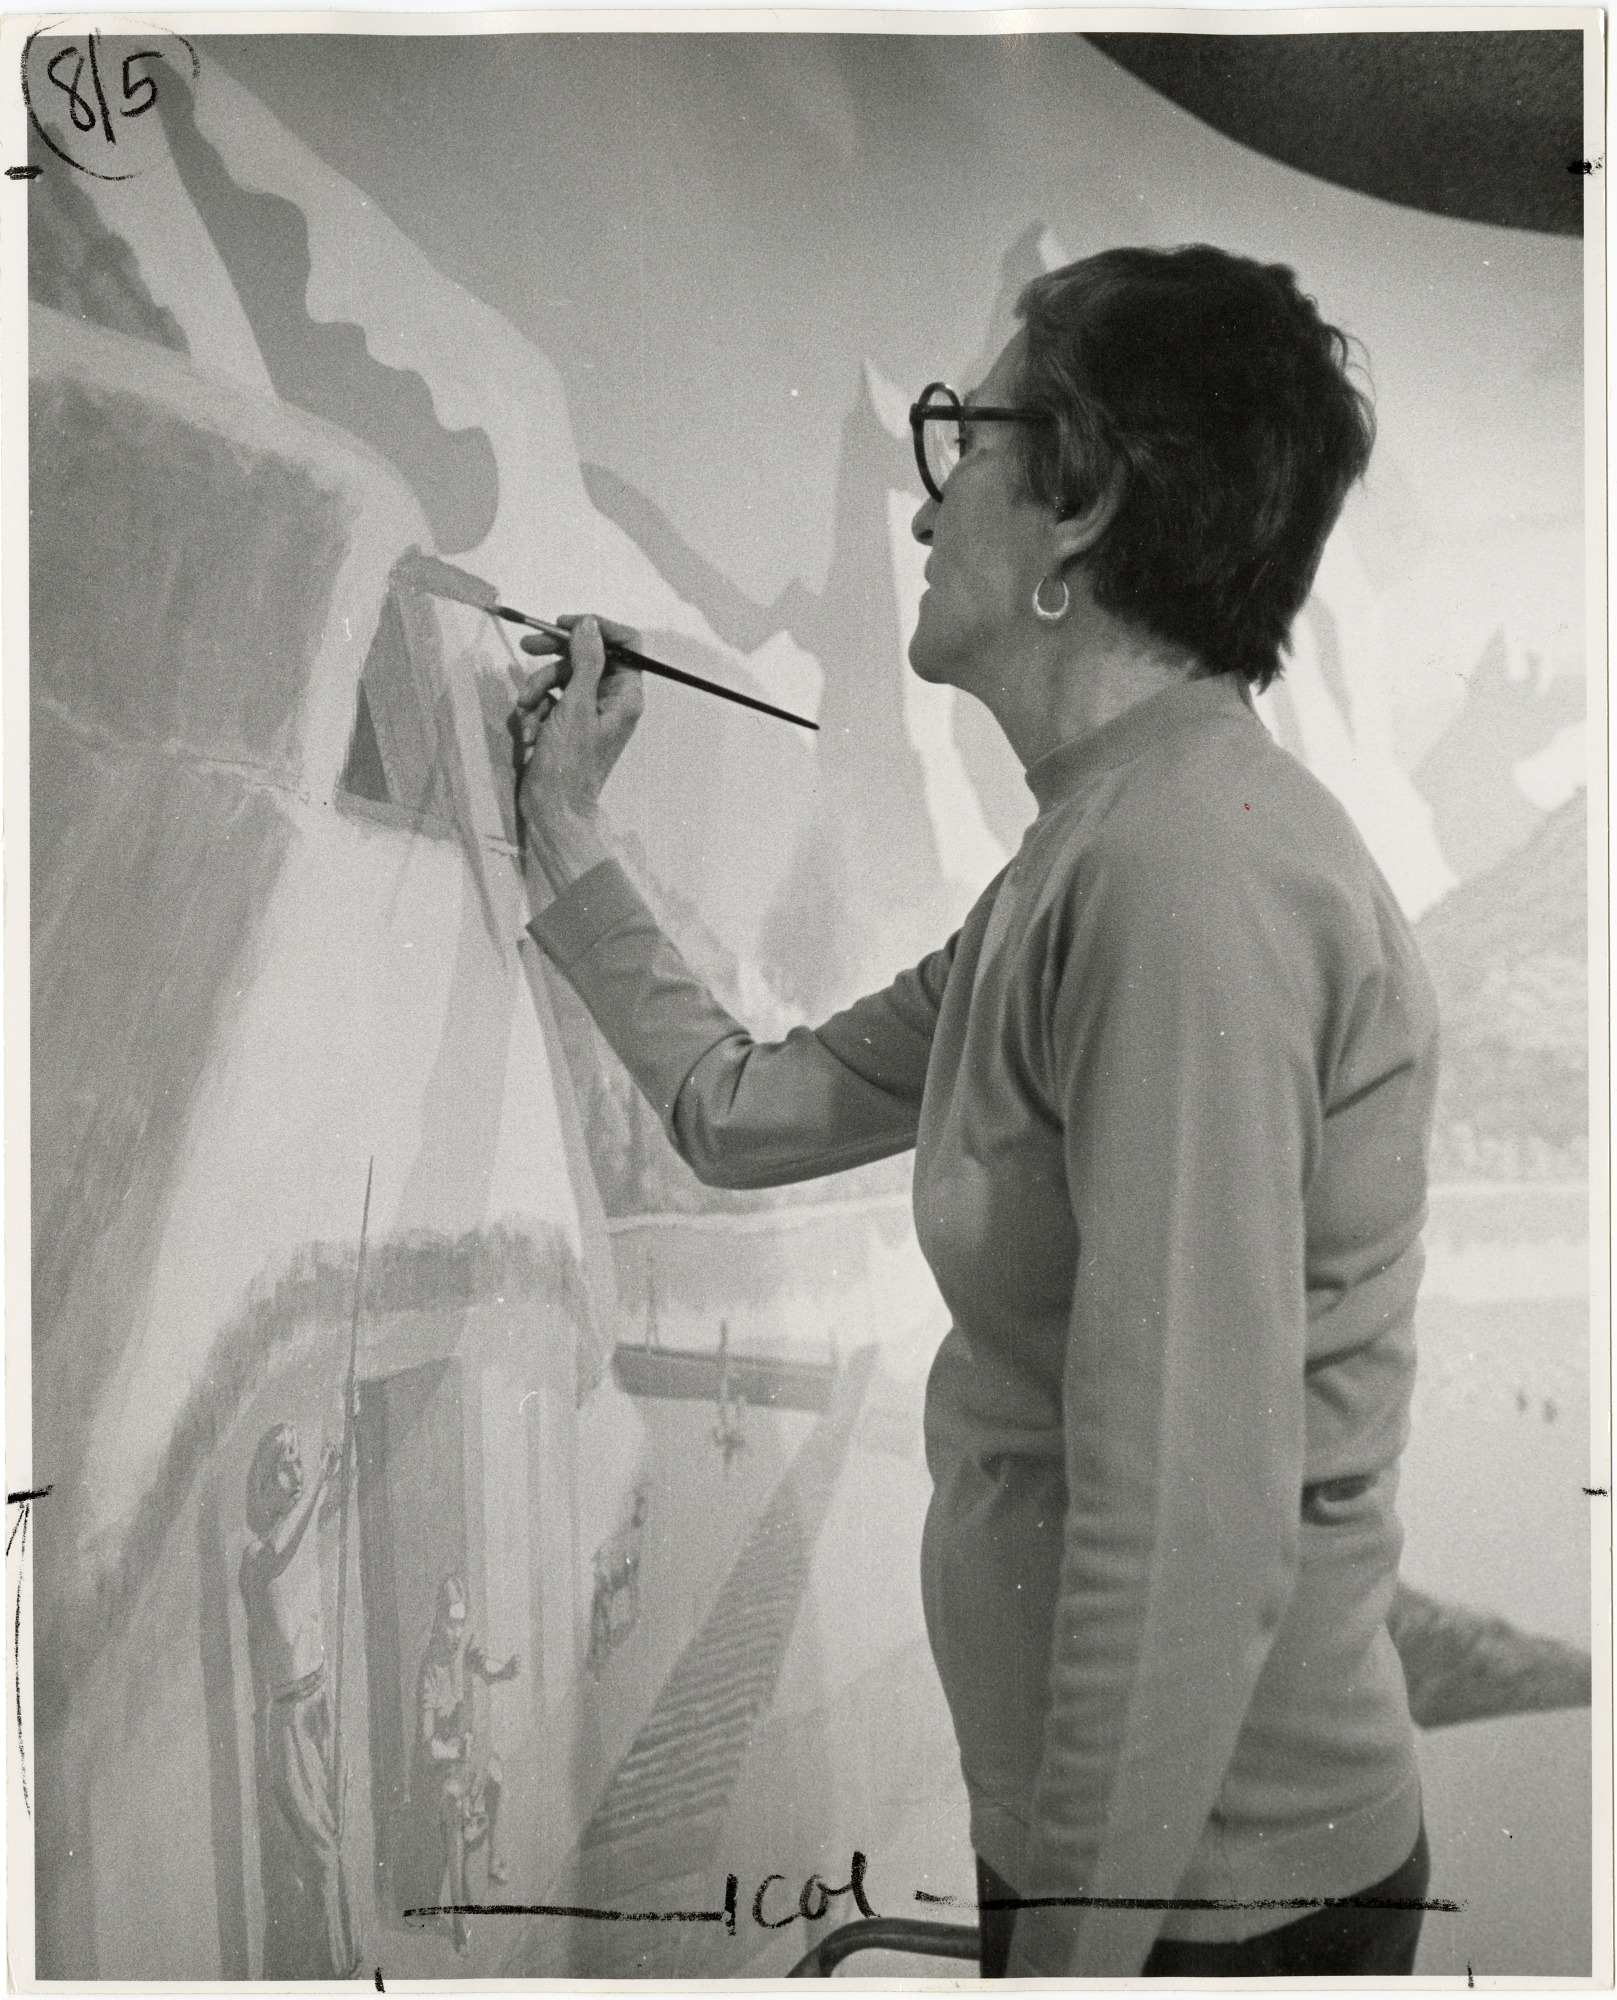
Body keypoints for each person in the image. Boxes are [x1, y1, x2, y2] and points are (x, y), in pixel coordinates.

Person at [512, 244, 1439, 1978]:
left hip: (1207, 1906)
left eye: (965, 440)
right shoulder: (1089, 860)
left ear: (1079, 500)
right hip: (1132, 1881)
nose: (928, 506)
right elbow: (744, 1113)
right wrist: (568, 838)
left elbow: (1188, 1529)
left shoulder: (1182, 879)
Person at [239, 1423, 361, 1980]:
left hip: (320, 1704)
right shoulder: (256, 1558)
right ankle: (339, 1972)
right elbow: (283, 1547)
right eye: (285, 1466)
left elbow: (340, 1493)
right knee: (322, 1857)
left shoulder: (302, 1527)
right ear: (264, 1485)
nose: (297, 1474)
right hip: (288, 1722)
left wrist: (341, 1457)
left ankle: (347, 1962)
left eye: (299, 1462)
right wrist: (316, 1487)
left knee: (336, 1843)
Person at [411, 1573, 520, 1949]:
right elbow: (427, 1747)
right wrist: (456, 1750)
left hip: (463, 1760)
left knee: (496, 1771)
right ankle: (460, 1918)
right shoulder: (429, 1670)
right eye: (450, 1623)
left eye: (461, 1622)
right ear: (438, 1619)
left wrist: (504, 1671)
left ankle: (493, 1858)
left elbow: (483, 1665)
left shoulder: (462, 1649)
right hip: (436, 1773)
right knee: (455, 1808)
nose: (456, 1632)